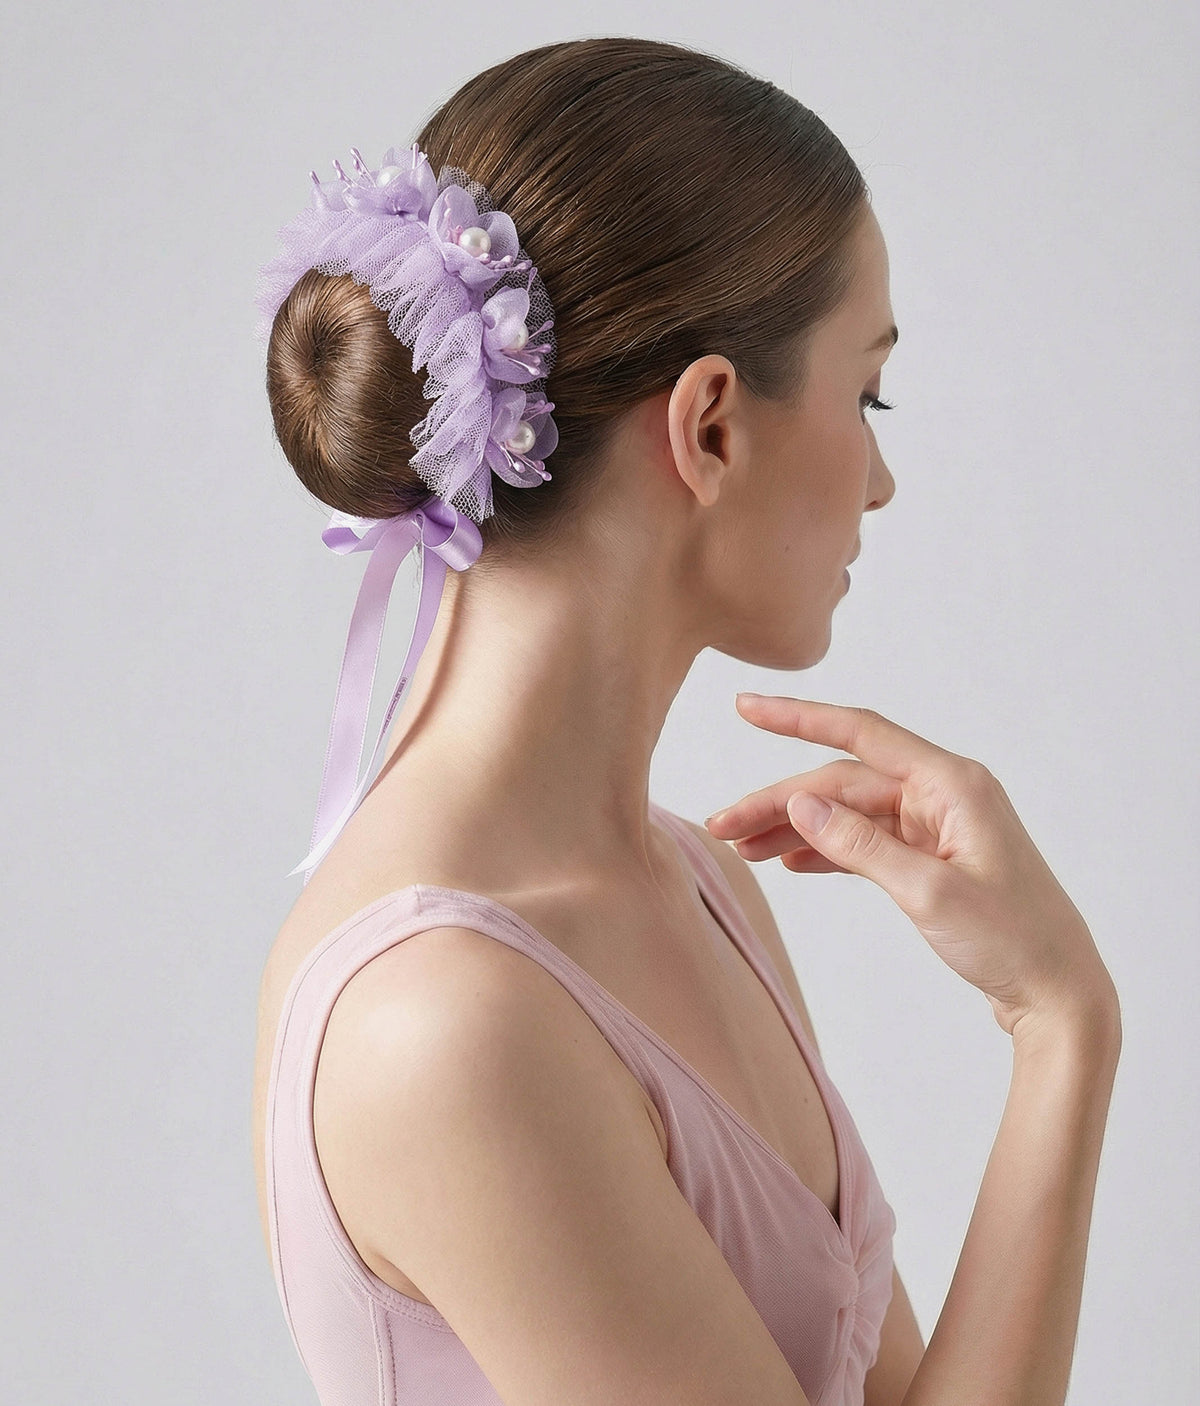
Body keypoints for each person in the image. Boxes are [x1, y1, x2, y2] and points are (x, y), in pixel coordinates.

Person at [251, 35, 1122, 1406]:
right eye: (866, 389)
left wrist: (1060, 1015)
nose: (883, 478)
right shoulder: (446, 1021)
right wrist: (1060, 1025)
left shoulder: (700, 884)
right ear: (712, 423)